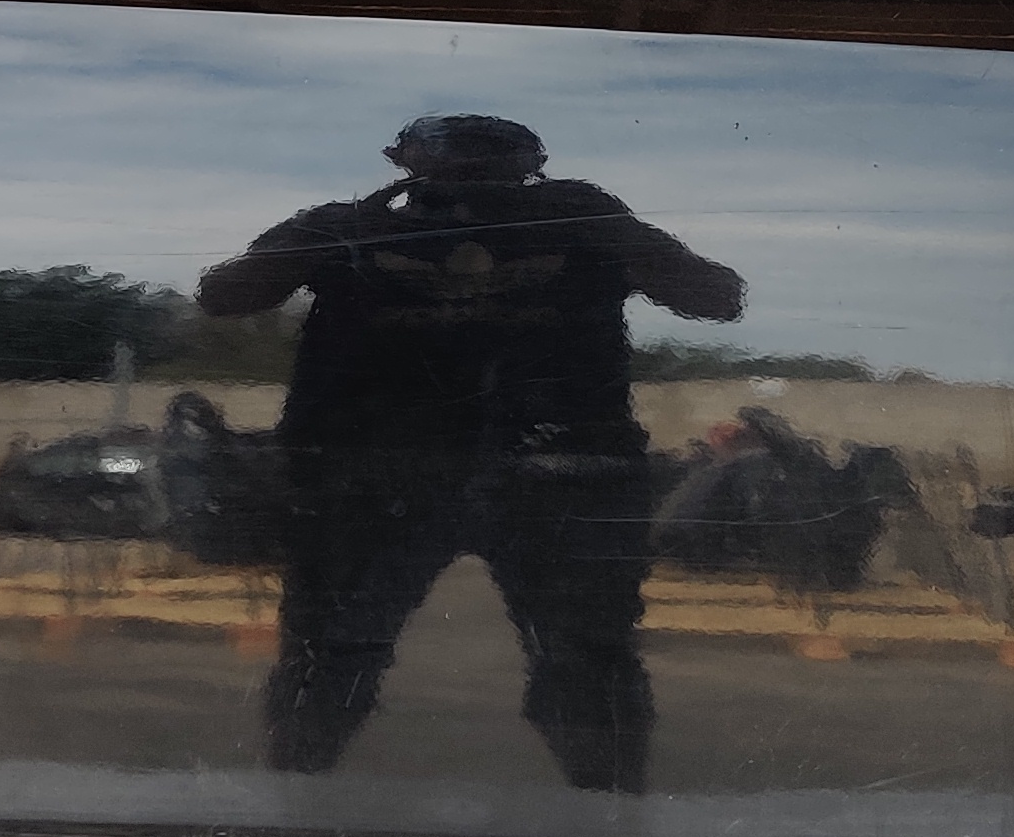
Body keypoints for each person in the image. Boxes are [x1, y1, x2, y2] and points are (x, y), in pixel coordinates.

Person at [196, 114, 743, 791]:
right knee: (329, 661)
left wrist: (603, 228)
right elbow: (223, 296)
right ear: (407, 164)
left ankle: (609, 814)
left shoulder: (580, 223)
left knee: (587, 665)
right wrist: (330, 233)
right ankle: (294, 804)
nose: (469, 179)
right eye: (453, 161)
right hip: (388, 476)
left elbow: (717, 298)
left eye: (488, 160)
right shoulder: (349, 226)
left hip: (542, 471)